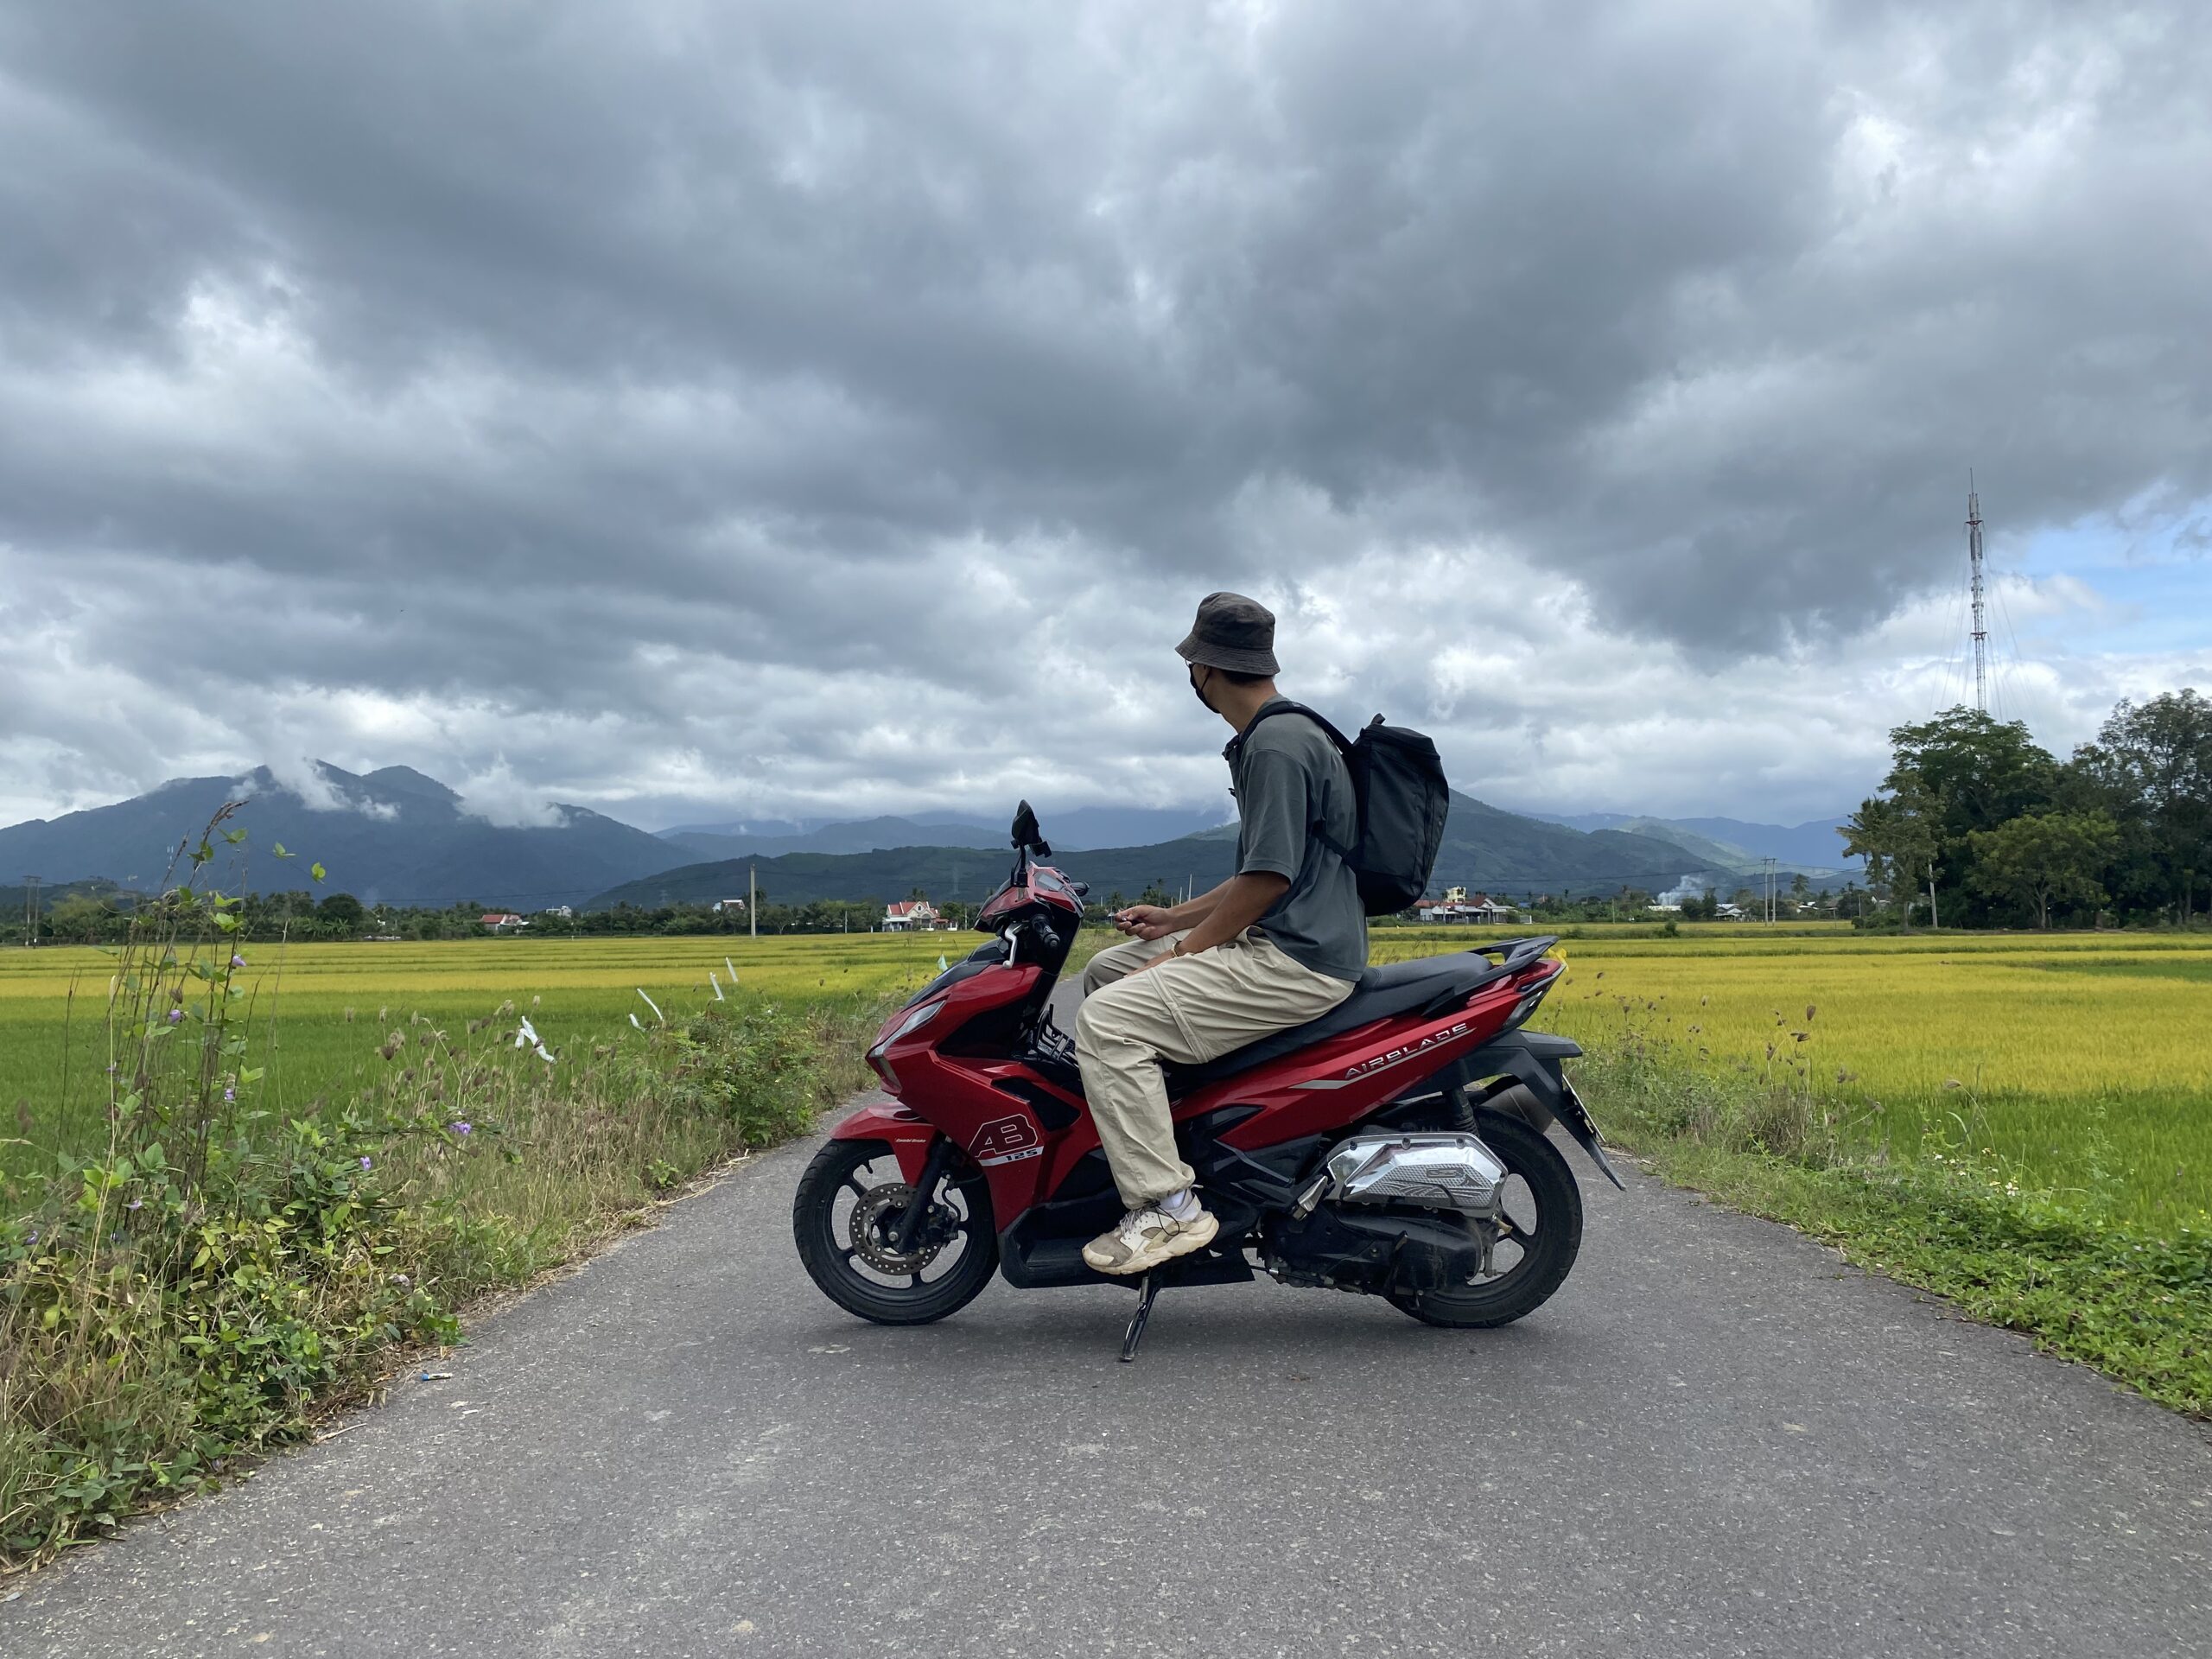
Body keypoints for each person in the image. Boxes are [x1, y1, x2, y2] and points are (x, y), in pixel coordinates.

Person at [1074, 592, 1368, 1275]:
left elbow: (1268, 883)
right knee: (1108, 971)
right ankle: (1179, 1138)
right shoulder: (1282, 733)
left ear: (1203, 670)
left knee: (1109, 1021)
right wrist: (1174, 920)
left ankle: (1168, 1205)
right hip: (1287, 940)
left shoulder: (1276, 744)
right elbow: (1260, 873)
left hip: (1297, 959)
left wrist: (1180, 953)